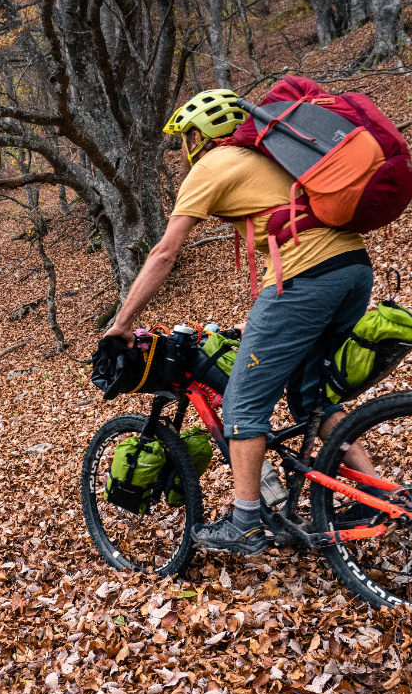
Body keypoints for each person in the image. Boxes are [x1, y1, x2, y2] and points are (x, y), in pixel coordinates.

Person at [103, 89, 378, 555]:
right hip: (352, 270)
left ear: (198, 137)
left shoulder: (213, 165)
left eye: (187, 138)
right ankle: (374, 496)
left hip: (303, 277)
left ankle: (246, 521)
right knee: (310, 398)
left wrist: (121, 324)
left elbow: (165, 252)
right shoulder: (273, 157)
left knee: (242, 404)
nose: (186, 149)